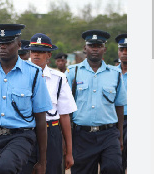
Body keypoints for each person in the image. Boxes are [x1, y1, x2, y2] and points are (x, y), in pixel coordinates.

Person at [0, 24, 52, 174]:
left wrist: (42, 161)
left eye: (8, 43)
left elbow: (41, 118)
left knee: (5, 168)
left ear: (19, 45)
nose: (2, 47)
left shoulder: (33, 73)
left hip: (20, 136)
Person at [65, 29, 127, 174]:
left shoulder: (115, 74)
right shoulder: (72, 72)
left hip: (109, 134)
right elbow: (66, 109)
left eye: (98, 46)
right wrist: (66, 140)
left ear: (104, 49)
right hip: (81, 136)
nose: (94, 49)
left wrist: (119, 137)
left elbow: (119, 106)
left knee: (113, 168)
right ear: (84, 48)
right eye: (91, 45)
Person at [21, 33, 77, 174]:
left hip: (50, 132)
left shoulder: (59, 79)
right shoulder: (19, 75)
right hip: (26, 132)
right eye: (34, 51)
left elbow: (65, 116)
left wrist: (69, 151)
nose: (36, 55)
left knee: (51, 170)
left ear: (49, 55)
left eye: (41, 52)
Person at [115, 33, 127, 172]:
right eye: (122, 49)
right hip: (115, 122)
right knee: (117, 162)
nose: (125, 53)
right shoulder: (111, 73)